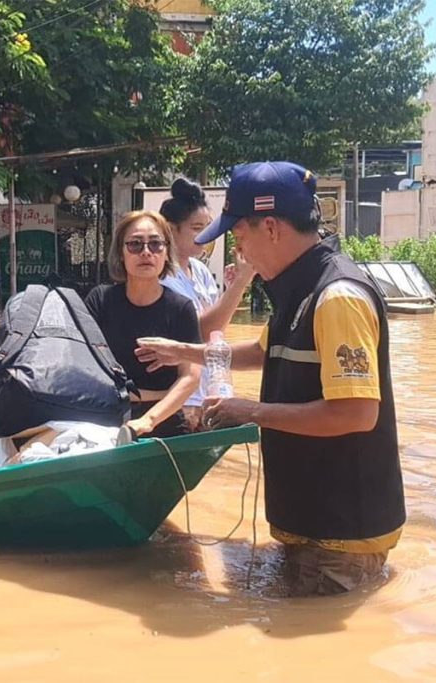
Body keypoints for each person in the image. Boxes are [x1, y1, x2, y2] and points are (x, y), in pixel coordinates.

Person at [137, 161, 405, 597]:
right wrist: (184, 351)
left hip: (340, 534)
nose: (239, 251)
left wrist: (251, 412)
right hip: (315, 525)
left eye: (240, 236)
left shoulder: (336, 296)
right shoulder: (299, 287)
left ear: (272, 228)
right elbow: (263, 352)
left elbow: (356, 413)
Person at [84, 210, 201, 439]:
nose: (146, 252)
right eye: (135, 244)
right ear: (121, 253)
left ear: (167, 252)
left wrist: (148, 419)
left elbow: (190, 377)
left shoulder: (182, 309)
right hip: (106, 417)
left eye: (156, 244)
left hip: (164, 419)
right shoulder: (100, 301)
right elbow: (84, 368)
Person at [159, 178, 255, 430]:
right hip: (182, 395)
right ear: (170, 229)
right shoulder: (162, 276)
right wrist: (240, 284)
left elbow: (216, 334)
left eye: (207, 227)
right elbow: (198, 332)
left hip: (209, 388)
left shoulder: (200, 271)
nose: (206, 236)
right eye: (196, 228)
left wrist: (233, 290)